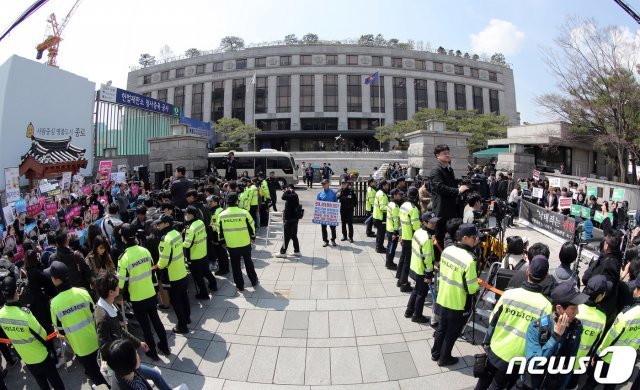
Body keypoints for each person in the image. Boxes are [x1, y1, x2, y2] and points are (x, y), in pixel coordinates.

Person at [475, 256, 553, 390]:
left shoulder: (509, 294)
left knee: (483, 382)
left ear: (528, 271)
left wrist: (487, 342)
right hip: (518, 358)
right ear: (546, 277)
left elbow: (492, 319)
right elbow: (543, 337)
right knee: (498, 385)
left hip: (497, 347)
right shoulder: (546, 306)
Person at [46, 261, 109, 387]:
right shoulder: (83, 292)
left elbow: (60, 331)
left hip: (80, 348)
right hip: (97, 339)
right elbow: (95, 314)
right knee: (106, 371)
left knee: (96, 377)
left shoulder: (55, 304)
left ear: (56, 280)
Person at [0, 275, 64, 390]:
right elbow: (43, 335)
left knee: (43, 385)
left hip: (27, 359)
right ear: (17, 291)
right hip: (42, 356)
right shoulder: (25, 314)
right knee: (56, 383)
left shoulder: (1, 315)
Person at [117, 224, 170, 360]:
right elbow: (153, 274)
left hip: (137, 298)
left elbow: (121, 284)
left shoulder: (124, 259)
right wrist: (156, 289)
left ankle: (152, 353)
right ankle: (165, 347)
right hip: (150, 294)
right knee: (156, 321)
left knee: (146, 326)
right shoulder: (145, 251)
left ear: (123, 238)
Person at [521, 281, 587, 390]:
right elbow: (533, 365)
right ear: (559, 308)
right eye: (574, 308)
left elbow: (570, 361)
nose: (578, 312)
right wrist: (555, 337)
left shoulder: (576, 327)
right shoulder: (537, 327)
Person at [431, 223, 481, 366]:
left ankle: (435, 353)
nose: (476, 239)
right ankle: (444, 358)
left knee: (442, 327)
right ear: (465, 238)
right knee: (452, 333)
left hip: (443, 297)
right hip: (458, 303)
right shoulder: (469, 260)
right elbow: (471, 288)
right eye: (474, 237)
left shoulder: (448, 250)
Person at [588, 273, 640, 390]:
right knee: (611, 386)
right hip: (626, 358)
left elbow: (610, 337)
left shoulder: (627, 314)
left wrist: (597, 355)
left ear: (637, 289)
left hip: (609, 358)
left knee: (592, 382)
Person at [567, 275, 609, 389]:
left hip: (561, 358)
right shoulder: (601, 318)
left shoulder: (573, 307)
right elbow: (597, 342)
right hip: (579, 363)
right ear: (600, 296)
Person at [155, 214, 191, 334]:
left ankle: (182, 326)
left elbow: (163, 261)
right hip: (182, 271)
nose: (158, 225)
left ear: (166, 224)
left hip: (173, 276)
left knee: (176, 301)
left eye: (160, 223)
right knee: (184, 297)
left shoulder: (165, 239)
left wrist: (156, 267)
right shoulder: (176, 233)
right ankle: (187, 318)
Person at [429, 145, 468, 253]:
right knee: (440, 236)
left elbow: (450, 184)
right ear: (437, 156)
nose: (447, 155)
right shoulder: (436, 170)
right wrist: (458, 190)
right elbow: (440, 188)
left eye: (448, 152)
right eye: (444, 153)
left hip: (451, 209)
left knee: (450, 235)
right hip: (442, 210)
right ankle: (438, 260)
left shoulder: (448, 168)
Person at [218, 192, 259, 291]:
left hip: (231, 245)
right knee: (248, 262)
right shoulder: (244, 212)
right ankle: (254, 280)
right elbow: (251, 225)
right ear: (237, 201)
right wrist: (253, 237)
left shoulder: (222, 215)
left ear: (227, 201)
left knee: (235, 265)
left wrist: (222, 242)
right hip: (245, 243)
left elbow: (220, 231)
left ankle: (240, 285)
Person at [581, 232, 622, 328]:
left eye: (605, 242)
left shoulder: (609, 264)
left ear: (607, 246)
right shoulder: (614, 257)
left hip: (599, 306)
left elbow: (606, 287)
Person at [105, 339, 180, 390]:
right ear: (131, 363)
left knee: (155, 374)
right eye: (136, 353)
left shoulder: (119, 368)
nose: (138, 356)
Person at [405, 212, 436, 323]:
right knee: (421, 294)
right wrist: (428, 274)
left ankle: (409, 311)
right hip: (422, 270)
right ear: (424, 222)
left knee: (416, 290)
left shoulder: (418, 232)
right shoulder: (427, 238)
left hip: (415, 266)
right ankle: (417, 316)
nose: (434, 224)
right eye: (432, 223)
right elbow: (427, 258)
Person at [184, 206, 217, 299]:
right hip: (203, 252)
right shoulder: (200, 222)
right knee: (206, 271)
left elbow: (187, 244)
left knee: (198, 276)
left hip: (194, 256)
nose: (186, 216)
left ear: (191, 215)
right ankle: (213, 285)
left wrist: (179, 243)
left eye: (187, 214)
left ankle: (204, 294)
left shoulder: (190, 228)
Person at [397, 187, 422, 290]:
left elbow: (399, 221)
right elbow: (416, 227)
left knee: (403, 259)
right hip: (410, 237)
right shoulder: (413, 208)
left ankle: (399, 279)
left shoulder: (403, 205)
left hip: (404, 235)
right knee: (407, 261)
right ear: (416, 195)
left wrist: (400, 234)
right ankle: (404, 284)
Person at [276, 184, 301, 258]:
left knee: (286, 236)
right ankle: (297, 251)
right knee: (293, 236)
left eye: (287, 189)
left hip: (290, 220)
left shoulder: (293, 195)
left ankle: (282, 252)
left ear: (290, 188)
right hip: (294, 219)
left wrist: (287, 190)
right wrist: (285, 210)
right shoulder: (293, 196)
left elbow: (283, 197)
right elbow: (291, 205)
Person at [207, 195, 230, 276]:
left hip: (218, 234)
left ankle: (224, 269)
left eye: (211, 202)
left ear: (215, 202)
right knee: (221, 252)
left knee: (221, 253)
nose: (209, 203)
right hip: (218, 234)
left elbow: (217, 225)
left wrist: (211, 227)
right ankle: (224, 268)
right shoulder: (216, 209)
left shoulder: (217, 211)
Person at [385, 188, 403, 270]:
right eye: (399, 194)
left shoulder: (390, 204)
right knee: (392, 248)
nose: (400, 195)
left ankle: (388, 262)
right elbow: (396, 221)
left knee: (389, 246)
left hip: (389, 228)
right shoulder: (395, 207)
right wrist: (396, 233)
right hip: (393, 231)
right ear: (394, 195)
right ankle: (390, 263)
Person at [317, 179, 338, 247]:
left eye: (324, 184)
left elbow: (336, 203)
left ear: (328, 184)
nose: (323, 185)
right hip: (323, 214)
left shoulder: (333, 193)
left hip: (331, 213)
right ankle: (325, 241)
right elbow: (318, 204)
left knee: (332, 227)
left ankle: (333, 239)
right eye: (322, 184)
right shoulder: (319, 193)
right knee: (323, 228)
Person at [373, 180, 390, 253]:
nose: (388, 186)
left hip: (376, 216)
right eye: (387, 185)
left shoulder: (378, 192)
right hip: (381, 217)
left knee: (379, 233)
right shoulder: (383, 195)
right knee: (381, 233)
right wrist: (390, 207)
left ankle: (378, 246)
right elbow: (382, 208)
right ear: (383, 186)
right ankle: (379, 248)